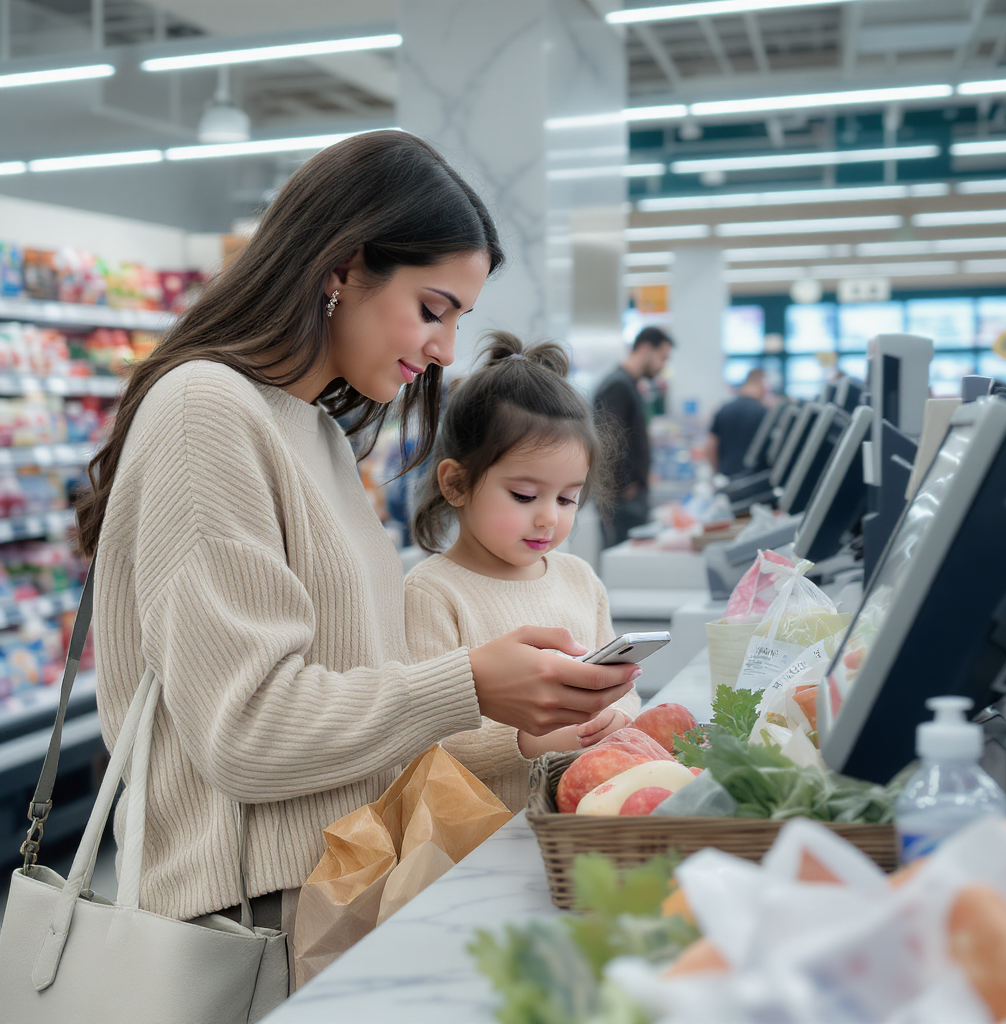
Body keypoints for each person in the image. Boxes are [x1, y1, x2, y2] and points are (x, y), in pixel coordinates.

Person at [74, 132, 639, 974]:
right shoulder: (205, 410)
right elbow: (247, 731)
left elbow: (358, 694)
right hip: (249, 918)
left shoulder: (319, 436)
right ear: (342, 268)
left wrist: (516, 717)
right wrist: (470, 682)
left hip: (345, 884)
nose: (446, 350)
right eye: (434, 308)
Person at [405, 333, 641, 812]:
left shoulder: (579, 579)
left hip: (576, 819)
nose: (549, 518)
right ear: (456, 483)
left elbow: (622, 688)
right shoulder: (431, 593)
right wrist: (529, 739)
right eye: (525, 496)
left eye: (567, 498)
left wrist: (615, 714)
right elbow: (424, 736)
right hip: (481, 838)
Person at [593, 326, 674, 547]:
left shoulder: (629, 384)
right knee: (620, 559)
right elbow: (607, 441)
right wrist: (623, 487)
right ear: (646, 348)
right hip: (622, 499)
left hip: (629, 496)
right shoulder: (618, 385)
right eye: (662, 357)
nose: (663, 365)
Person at [706, 367, 769, 478]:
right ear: (761, 384)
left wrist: (716, 472)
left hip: (726, 476)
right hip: (754, 479)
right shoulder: (764, 413)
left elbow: (711, 445)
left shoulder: (724, 409)